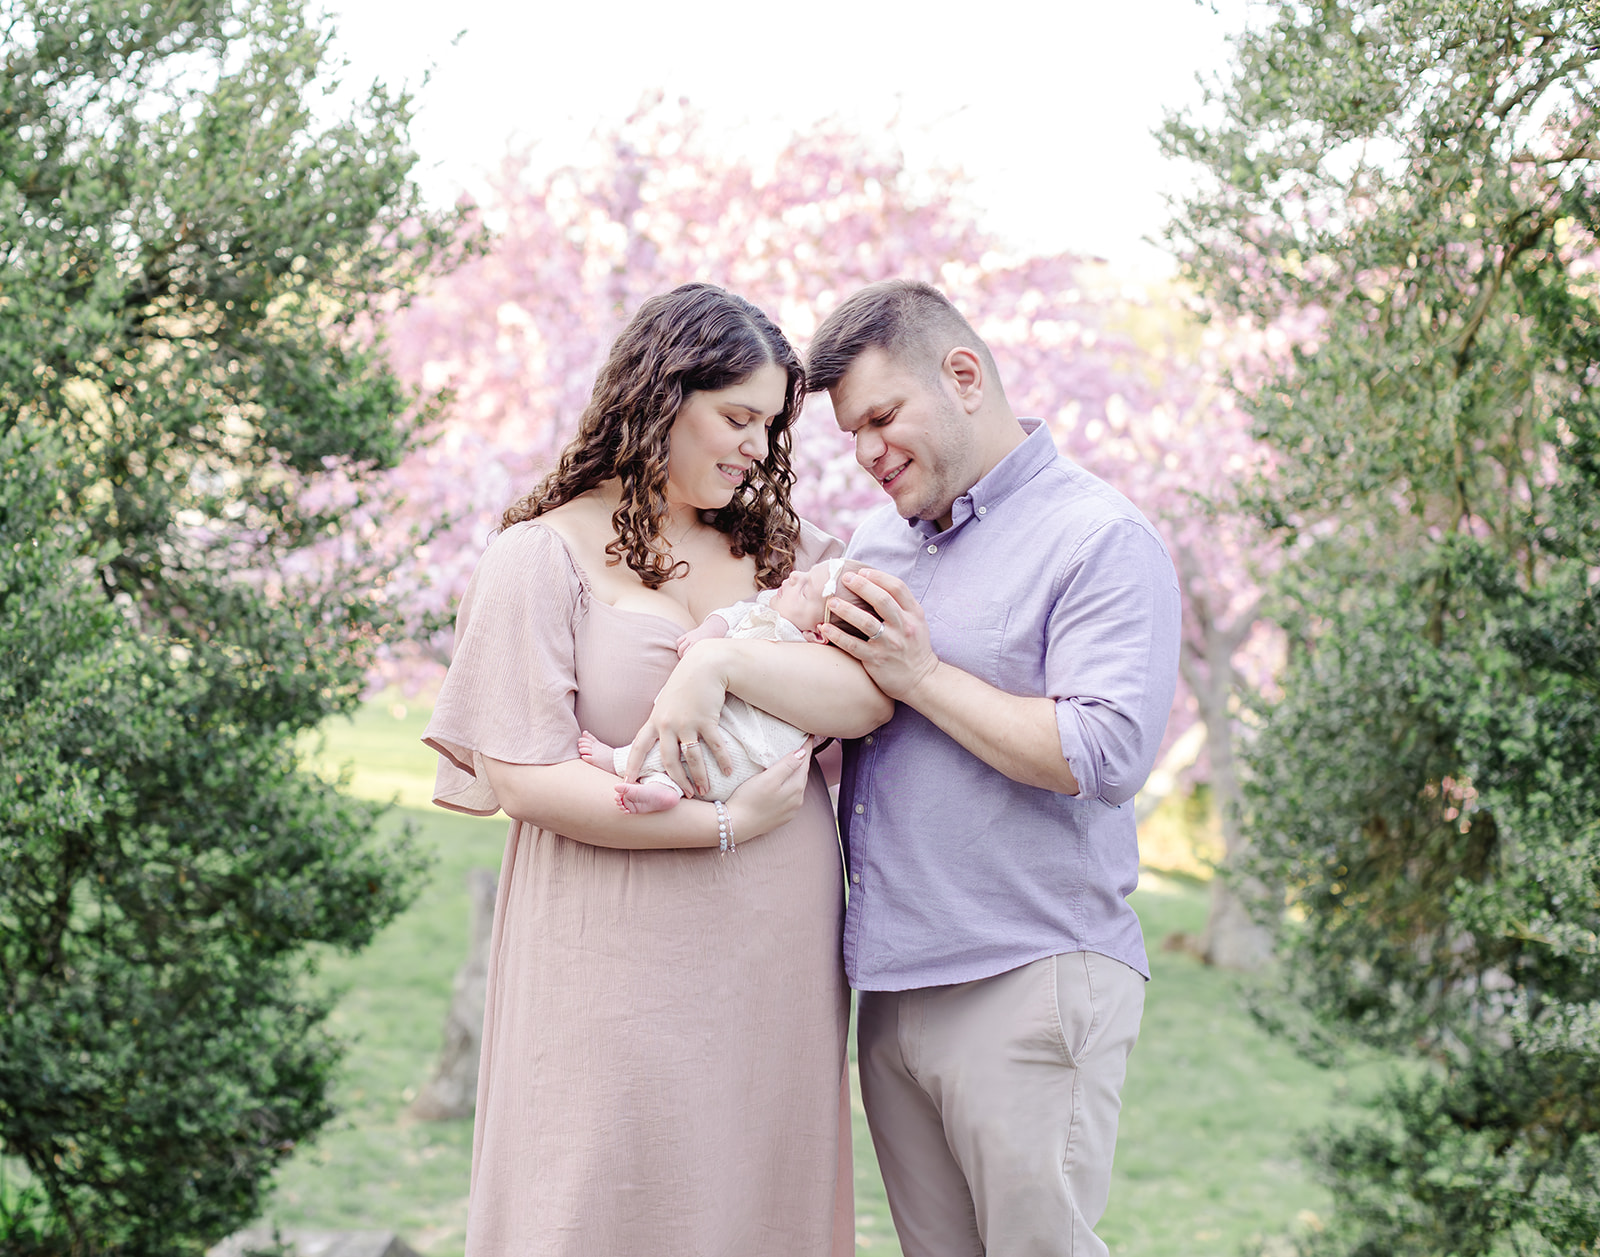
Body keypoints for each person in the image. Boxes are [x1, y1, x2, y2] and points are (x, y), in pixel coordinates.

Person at [421, 283, 891, 1256]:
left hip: (773, 954)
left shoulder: (793, 556)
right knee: (600, 1184)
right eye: (735, 418)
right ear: (658, 395)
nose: (756, 450)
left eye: (769, 427)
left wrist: (720, 662)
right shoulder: (539, 557)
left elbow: (865, 699)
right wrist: (721, 826)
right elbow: (524, 777)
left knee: (756, 1191)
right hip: (613, 952)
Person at [807, 280, 1182, 1257]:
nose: (868, 453)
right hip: (888, 988)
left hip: (1026, 976)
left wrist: (920, 673)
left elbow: (1102, 753)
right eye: (851, 433)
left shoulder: (1097, 538)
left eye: (883, 417)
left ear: (964, 375)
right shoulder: (879, 540)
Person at [577, 557, 878, 813]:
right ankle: (663, 787)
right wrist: (709, 631)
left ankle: (621, 762)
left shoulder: (803, 647)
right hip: (742, 745)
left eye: (805, 590)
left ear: (818, 634)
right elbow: (732, 613)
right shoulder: (767, 610)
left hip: (751, 747)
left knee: (696, 748)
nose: (794, 576)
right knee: (689, 743)